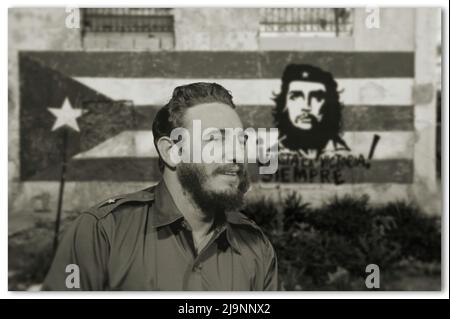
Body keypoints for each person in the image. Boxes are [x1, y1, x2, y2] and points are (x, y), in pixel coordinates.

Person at [43, 82, 278, 291]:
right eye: (216, 139)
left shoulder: (256, 246)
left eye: (241, 141)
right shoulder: (103, 232)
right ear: (172, 151)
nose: (237, 153)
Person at [273, 64, 350, 158]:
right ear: (284, 104)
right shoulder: (273, 156)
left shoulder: (345, 155)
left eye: (317, 97)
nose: (306, 106)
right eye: (296, 96)